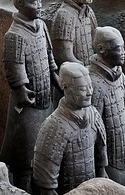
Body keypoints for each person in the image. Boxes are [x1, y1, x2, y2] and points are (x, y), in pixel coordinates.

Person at [0, 0, 61, 193]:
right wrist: (21, 88)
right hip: (27, 106)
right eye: (34, 2)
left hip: (45, 101)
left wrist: (55, 76)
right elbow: (13, 66)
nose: (40, 6)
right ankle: (22, 189)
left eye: (40, 1)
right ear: (20, 4)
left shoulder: (41, 26)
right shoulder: (14, 35)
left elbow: (48, 54)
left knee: (46, 152)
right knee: (24, 156)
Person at [33, 62, 108, 194]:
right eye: (83, 89)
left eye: (90, 86)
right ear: (65, 88)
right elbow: (46, 183)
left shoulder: (94, 115)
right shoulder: (54, 126)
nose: (90, 92)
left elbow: (101, 155)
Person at [89, 26, 125, 186]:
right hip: (109, 162)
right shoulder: (93, 84)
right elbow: (93, 132)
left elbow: (124, 111)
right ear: (101, 49)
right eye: (118, 49)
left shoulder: (120, 75)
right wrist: (100, 167)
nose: (124, 52)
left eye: (123, 47)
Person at [51, 0, 97, 68]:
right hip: (75, 73)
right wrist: (85, 71)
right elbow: (64, 56)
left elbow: (96, 42)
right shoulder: (64, 16)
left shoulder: (88, 11)